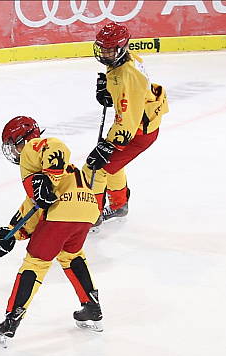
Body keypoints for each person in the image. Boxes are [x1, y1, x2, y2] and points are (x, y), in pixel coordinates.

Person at [0, 116, 102, 347]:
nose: (15, 150)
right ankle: (91, 306)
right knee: (71, 255)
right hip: (87, 209)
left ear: (24, 139)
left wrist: (49, 175)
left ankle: (12, 320)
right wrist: (10, 235)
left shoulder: (33, 150)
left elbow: (56, 146)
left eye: (14, 144)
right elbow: (34, 206)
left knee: (36, 263)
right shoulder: (54, 175)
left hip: (64, 212)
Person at [83, 22, 168, 229]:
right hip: (141, 124)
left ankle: (91, 216)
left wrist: (109, 145)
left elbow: (128, 120)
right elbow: (128, 99)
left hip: (138, 131)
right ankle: (119, 206)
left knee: (97, 167)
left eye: (109, 49)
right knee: (112, 165)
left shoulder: (127, 76)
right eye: (102, 48)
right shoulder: (123, 60)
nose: (104, 53)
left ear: (120, 48)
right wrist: (109, 93)